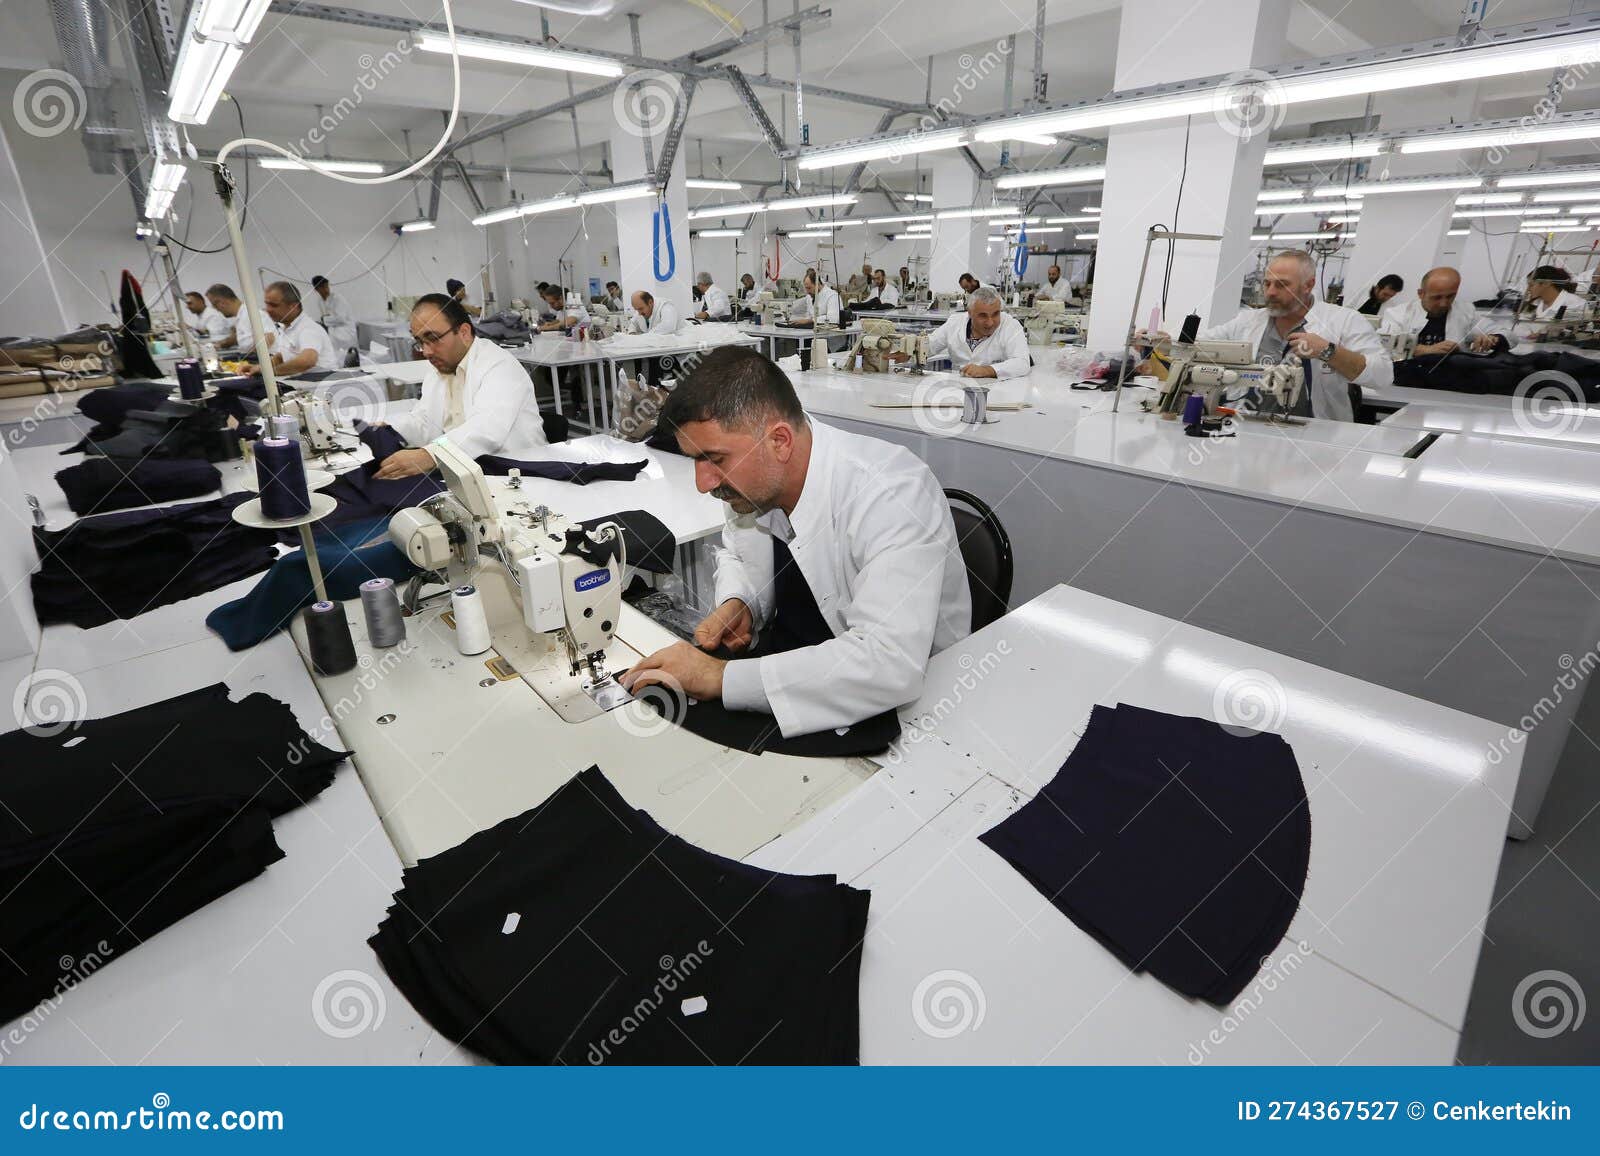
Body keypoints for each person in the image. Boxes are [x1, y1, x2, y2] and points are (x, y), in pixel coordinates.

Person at [619, 346, 971, 736]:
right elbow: (740, 550)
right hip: (799, 670)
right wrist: (742, 603)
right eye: (695, 460)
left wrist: (719, 677)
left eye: (714, 459)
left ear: (780, 441)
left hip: (906, 713)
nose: (703, 484)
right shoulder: (753, 481)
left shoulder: (891, 493)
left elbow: (887, 665)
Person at [1195, 249, 1391, 422]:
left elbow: (1382, 375)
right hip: (1247, 428)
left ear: (1308, 285)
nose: (1270, 292)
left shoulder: (1345, 321)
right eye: (1267, 283)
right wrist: (1172, 343)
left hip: (1317, 436)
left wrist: (1328, 351)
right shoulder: (1248, 321)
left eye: (1281, 285)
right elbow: (1201, 344)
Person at [371, 293, 546, 479]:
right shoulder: (441, 369)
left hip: (519, 473)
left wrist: (429, 455)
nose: (427, 352)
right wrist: (388, 429)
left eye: (434, 338)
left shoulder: (499, 366)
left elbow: (486, 429)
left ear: (464, 332)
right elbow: (425, 421)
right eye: (420, 342)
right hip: (468, 470)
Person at [1379, 267, 1508, 356]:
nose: (1444, 303)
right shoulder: (1398, 313)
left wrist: (1493, 339)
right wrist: (1424, 350)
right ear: (1421, 294)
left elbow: (1507, 334)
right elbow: (1385, 342)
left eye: (1450, 296)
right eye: (1437, 297)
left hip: (1453, 375)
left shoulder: (1466, 312)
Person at [906, 286, 1029, 379]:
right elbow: (930, 344)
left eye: (995, 314)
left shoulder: (1010, 325)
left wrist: (987, 370)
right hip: (958, 386)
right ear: (970, 313)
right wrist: (909, 350)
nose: (990, 322)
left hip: (996, 390)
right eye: (983, 316)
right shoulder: (955, 323)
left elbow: (1022, 363)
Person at [260, 281, 337, 376]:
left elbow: (307, 361)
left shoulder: (308, 329)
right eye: (267, 304)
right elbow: (281, 357)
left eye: (274, 305)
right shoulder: (286, 327)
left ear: (293, 307)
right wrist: (259, 368)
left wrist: (268, 372)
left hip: (319, 385)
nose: (268, 309)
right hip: (304, 382)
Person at [205, 283, 275, 355]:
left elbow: (269, 338)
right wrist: (219, 344)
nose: (216, 309)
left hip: (264, 361)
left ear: (222, 302)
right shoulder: (241, 316)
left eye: (214, 305)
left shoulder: (252, 314)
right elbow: (240, 339)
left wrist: (248, 356)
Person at [311, 274, 356, 353]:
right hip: (333, 330)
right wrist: (323, 321)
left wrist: (324, 319)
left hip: (345, 330)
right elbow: (324, 318)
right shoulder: (320, 301)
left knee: (344, 354)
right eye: (322, 287)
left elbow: (341, 319)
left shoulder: (337, 298)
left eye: (327, 286)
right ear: (316, 289)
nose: (326, 289)